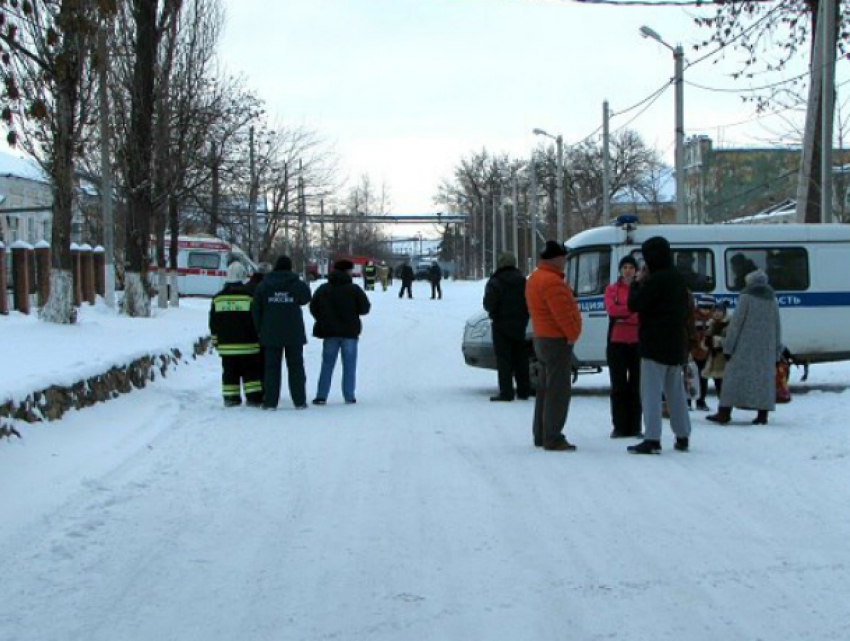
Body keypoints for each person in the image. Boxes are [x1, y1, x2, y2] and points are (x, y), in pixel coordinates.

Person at [626, 236, 692, 454]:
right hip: (675, 342)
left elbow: (634, 304)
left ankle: (652, 438)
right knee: (676, 392)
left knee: (651, 393)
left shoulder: (656, 280)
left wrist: (636, 282)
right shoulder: (678, 278)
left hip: (653, 343)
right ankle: (682, 435)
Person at [526, 240, 582, 451]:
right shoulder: (553, 282)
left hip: (541, 337)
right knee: (558, 390)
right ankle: (553, 436)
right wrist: (573, 334)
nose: (566, 261)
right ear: (557, 258)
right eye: (564, 257)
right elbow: (562, 314)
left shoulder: (535, 278)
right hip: (556, 340)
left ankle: (541, 433)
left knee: (544, 389)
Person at [707, 269, 782, 425]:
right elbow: (777, 326)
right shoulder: (772, 299)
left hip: (743, 347)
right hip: (765, 348)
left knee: (732, 379)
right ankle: (762, 415)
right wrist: (776, 351)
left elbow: (736, 325)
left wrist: (728, 347)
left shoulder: (746, 297)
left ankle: (724, 413)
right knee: (763, 381)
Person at [252, 255, 312, 410]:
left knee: (271, 369)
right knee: (296, 367)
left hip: (270, 333)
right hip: (294, 333)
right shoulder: (295, 283)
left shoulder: (264, 284)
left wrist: (260, 328)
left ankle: (270, 402)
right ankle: (299, 401)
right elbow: (306, 297)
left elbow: (256, 308)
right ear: (290, 267)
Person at [310, 259, 371, 405]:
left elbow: (313, 307)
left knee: (327, 365)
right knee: (349, 366)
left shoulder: (323, 289)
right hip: (350, 332)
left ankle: (321, 395)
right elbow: (365, 308)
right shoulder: (354, 289)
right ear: (347, 271)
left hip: (329, 332)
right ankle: (349, 396)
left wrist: (323, 319)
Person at [209, 262, 263, 407]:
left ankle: (230, 398)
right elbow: (256, 320)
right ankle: (253, 397)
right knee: (251, 374)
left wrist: (216, 342)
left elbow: (213, 324)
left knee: (229, 373)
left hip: (227, 347)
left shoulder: (217, 299)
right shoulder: (250, 297)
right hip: (249, 346)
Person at [483, 252, 531, 402]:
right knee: (521, 358)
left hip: (501, 325)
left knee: (504, 360)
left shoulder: (495, 282)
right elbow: (529, 301)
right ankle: (524, 390)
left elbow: (488, 304)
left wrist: (495, 312)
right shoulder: (523, 281)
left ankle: (506, 392)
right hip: (520, 323)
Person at [603, 255, 642, 438]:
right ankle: (619, 426)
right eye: (625, 267)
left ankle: (635, 426)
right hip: (616, 342)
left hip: (637, 342)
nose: (628, 270)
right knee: (618, 386)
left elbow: (642, 312)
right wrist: (631, 310)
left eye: (631, 267)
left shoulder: (641, 289)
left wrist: (624, 312)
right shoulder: (612, 289)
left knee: (636, 386)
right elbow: (612, 310)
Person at [690, 293, 715, 411]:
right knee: (690, 377)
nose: (706, 311)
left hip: (705, 353)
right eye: (703, 307)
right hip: (692, 352)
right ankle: (688, 401)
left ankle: (701, 401)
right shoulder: (693, 318)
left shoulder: (712, 320)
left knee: (703, 377)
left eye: (709, 308)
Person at [700, 301, 730, 397]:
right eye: (715, 311)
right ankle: (722, 407)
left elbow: (732, 341)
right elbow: (706, 341)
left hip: (725, 359)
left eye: (719, 311)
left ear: (724, 312)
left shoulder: (729, 324)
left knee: (724, 385)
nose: (717, 313)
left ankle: (725, 408)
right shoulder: (712, 324)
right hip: (714, 358)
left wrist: (718, 341)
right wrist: (706, 342)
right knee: (718, 383)